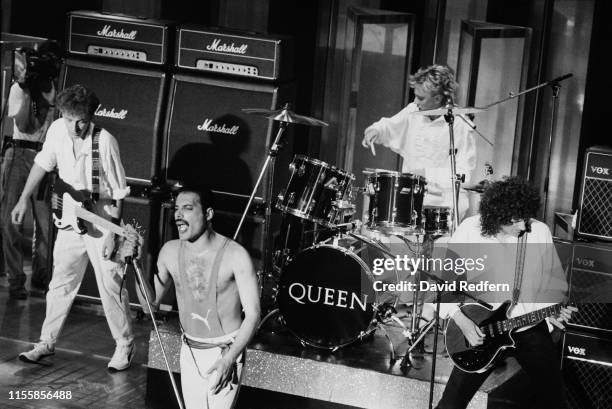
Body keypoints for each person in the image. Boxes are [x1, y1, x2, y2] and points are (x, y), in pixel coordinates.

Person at [12, 84, 136, 372]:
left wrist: (114, 235)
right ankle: (46, 341)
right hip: (70, 215)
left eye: (80, 120)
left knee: (110, 284)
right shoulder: (56, 130)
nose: (74, 126)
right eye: (69, 119)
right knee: (61, 282)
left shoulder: (105, 142)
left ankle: (125, 344)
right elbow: (42, 164)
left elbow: (118, 194)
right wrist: (21, 199)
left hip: (102, 216)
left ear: (90, 117)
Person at [434, 177, 577, 409]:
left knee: (555, 401)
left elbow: (553, 286)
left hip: (529, 328)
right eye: (516, 220)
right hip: (482, 330)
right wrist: (463, 323)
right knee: (451, 404)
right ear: (497, 216)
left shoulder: (539, 232)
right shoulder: (470, 230)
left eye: (526, 217)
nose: (523, 226)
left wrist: (554, 311)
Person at [136, 185, 260, 409]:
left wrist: (229, 359)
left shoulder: (235, 255)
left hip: (224, 352)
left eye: (187, 208)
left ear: (208, 214)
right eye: (176, 209)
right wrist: (134, 264)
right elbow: (148, 306)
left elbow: (253, 315)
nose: (178, 214)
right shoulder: (170, 251)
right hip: (189, 350)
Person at [361, 64, 476, 221]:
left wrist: (427, 173)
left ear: (437, 98)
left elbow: (464, 175)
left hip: (443, 207)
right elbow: (389, 126)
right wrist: (375, 130)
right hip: (409, 199)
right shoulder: (413, 110)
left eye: (421, 98)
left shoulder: (460, 125)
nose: (415, 101)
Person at [1, 42, 59, 299]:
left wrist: (41, 89)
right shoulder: (17, 88)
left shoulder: (50, 88)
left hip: (44, 157)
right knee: (11, 219)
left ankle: (40, 277)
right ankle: (15, 280)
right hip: (19, 153)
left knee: (45, 223)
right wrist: (26, 89)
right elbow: (25, 123)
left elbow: (51, 116)